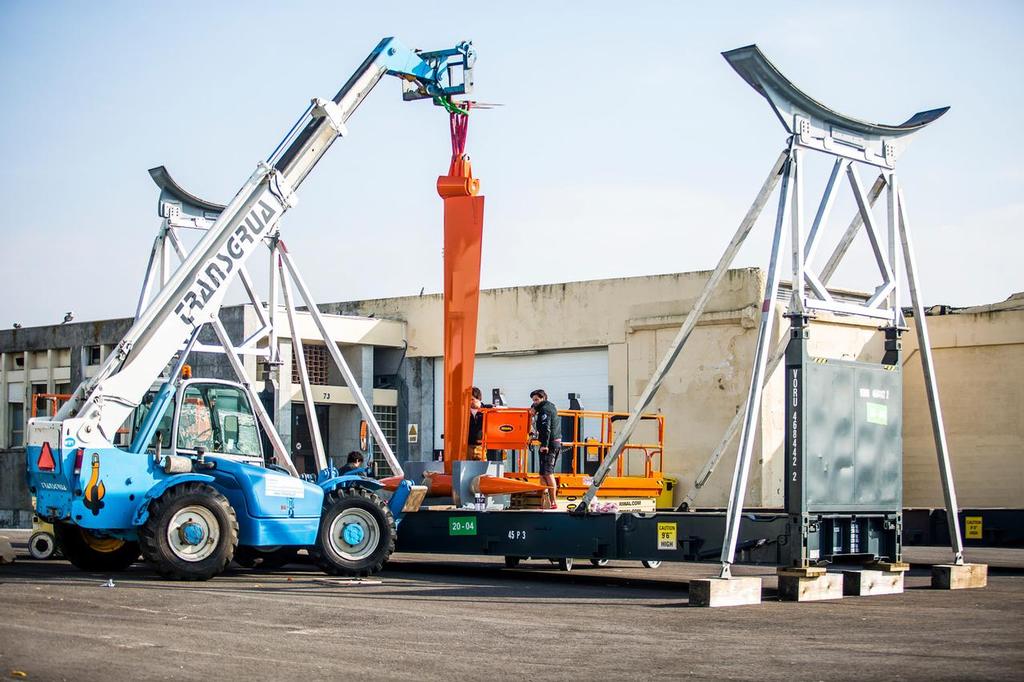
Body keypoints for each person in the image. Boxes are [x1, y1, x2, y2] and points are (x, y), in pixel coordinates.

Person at [530, 389, 561, 509]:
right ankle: (545, 501)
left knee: (548, 473)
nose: (535, 402)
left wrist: (545, 445)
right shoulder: (547, 407)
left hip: (550, 444)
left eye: (537, 399)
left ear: (543, 398)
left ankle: (553, 502)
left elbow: (547, 428)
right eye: (533, 400)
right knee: (542, 473)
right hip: (549, 442)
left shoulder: (545, 410)